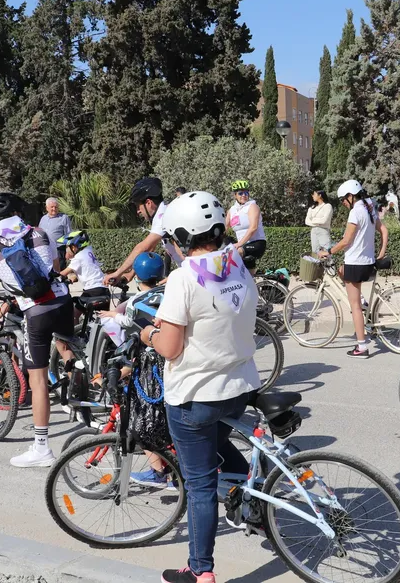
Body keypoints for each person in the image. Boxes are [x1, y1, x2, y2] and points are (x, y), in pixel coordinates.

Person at [141, 190, 260, 583]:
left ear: (179, 238)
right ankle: (250, 495)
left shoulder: (183, 278)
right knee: (219, 442)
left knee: (200, 486)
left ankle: (200, 571)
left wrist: (147, 335)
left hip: (196, 397)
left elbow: (171, 348)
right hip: (239, 388)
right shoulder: (237, 264)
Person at [0, 192, 75, 467]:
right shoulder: (38, 232)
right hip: (63, 301)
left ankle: (41, 448)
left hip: (35, 311)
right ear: (19, 213)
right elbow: (55, 268)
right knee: (69, 350)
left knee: (37, 382)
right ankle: (79, 394)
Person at [318, 180, 388, 358]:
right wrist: (380, 253)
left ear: (351, 196)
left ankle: (362, 347)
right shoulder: (370, 206)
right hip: (367, 262)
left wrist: (329, 251)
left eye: (343, 199)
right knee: (341, 270)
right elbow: (384, 231)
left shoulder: (355, 212)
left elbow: (346, 241)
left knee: (354, 307)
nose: (342, 203)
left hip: (355, 263)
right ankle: (364, 301)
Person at [105, 177, 182, 284]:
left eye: (138, 206)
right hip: (188, 271)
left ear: (149, 203)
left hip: (196, 275)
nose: (137, 211)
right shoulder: (163, 212)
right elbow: (150, 248)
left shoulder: (163, 216)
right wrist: (131, 273)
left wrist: (117, 273)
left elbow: (143, 247)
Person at [58, 230, 110, 303]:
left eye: (66, 247)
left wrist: (51, 277)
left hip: (92, 291)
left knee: (75, 312)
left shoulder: (78, 258)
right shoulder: (88, 251)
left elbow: (62, 274)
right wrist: (75, 277)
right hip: (103, 289)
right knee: (101, 314)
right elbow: (88, 267)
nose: (66, 250)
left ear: (73, 247)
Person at [226, 180, 267, 272]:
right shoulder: (232, 210)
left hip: (256, 243)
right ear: (235, 195)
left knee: (233, 254)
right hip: (242, 246)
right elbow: (225, 228)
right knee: (248, 276)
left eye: (246, 192)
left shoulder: (252, 206)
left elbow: (253, 228)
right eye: (240, 193)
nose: (244, 195)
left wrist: (239, 244)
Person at [38, 197, 72, 269]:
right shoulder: (43, 218)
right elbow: (39, 232)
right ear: (47, 208)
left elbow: (68, 234)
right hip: (46, 249)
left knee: (59, 271)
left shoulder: (64, 218)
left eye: (56, 207)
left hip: (58, 249)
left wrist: (68, 249)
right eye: (52, 207)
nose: (54, 209)